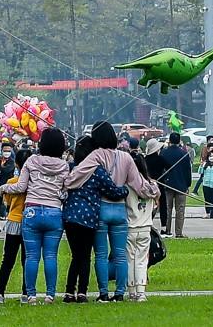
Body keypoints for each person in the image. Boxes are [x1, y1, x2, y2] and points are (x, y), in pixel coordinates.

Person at [72, 122, 154, 302]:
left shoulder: (95, 155)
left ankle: (103, 293)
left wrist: (66, 184)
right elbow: (139, 185)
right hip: (119, 210)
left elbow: (78, 175)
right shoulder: (126, 158)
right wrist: (153, 190)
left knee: (101, 254)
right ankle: (120, 293)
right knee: (120, 255)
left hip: (101, 209)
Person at [11, 127, 72, 304]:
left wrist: (3, 188)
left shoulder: (31, 161)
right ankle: (50, 295)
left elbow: (20, 187)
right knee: (51, 256)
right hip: (54, 213)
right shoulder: (64, 166)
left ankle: (31, 295)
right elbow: (65, 191)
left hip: (32, 212)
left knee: (31, 256)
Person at [0, 147, 31, 304]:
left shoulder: (11, 182)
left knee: (8, 259)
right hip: (29, 223)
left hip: (14, 221)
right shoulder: (34, 183)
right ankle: (26, 293)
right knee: (27, 259)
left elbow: (7, 202)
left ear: (17, 165)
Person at [123, 148, 158, 302]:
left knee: (129, 260)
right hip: (145, 227)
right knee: (142, 260)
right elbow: (156, 206)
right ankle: (141, 292)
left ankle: (131, 291)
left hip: (130, 226)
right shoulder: (153, 186)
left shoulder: (126, 186)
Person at [155, 132, 191, 239]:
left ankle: (167, 230)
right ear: (179, 141)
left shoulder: (163, 153)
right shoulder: (184, 153)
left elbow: (160, 169)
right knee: (180, 209)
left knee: (167, 208)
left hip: (167, 184)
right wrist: (188, 184)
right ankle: (179, 233)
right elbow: (187, 171)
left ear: (169, 141)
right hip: (181, 185)